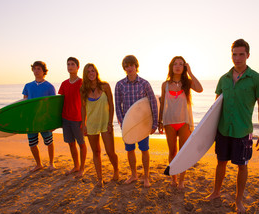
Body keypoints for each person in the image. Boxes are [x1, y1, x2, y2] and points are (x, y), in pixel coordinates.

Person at [206, 39, 259, 214]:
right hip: (223, 129)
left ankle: (238, 200)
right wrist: (210, 132)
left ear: (248, 55)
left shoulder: (256, 78)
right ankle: (216, 192)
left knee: (242, 166)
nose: (237, 58)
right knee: (221, 162)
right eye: (234, 54)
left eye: (241, 54)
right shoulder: (223, 79)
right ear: (231, 55)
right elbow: (215, 107)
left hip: (242, 130)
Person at [158, 56, 203, 189]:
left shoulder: (187, 83)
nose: (178, 66)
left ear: (184, 67)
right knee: (172, 152)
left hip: (184, 122)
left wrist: (190, 72)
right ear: (171, 67)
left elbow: (200, 89)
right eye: (175, 64)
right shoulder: (165, 85)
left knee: (183, 152)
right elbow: (162, 104)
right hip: (169, 122)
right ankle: (174, 178)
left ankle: (182, 180)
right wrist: (160, 121)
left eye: (181, 64)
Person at [115, 55, 158, 188]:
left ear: (136, 66)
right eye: (126, 66)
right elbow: (118, 105)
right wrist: (122, 123)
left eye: (131, 65)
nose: (129, 68)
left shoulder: (144, 83)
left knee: (144, 150)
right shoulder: (120, 85)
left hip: (143, 124)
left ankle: (146, 176)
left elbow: (153, 103)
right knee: (130, 150)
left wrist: (154, 123)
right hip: (128, 124)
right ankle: (134, 174)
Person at [80, 63, 119, 186]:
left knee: (110, 151)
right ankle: (99, 178)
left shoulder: (105, 86)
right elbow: (83, 107)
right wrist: (83, 124)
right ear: (86, 75)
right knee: (96, 152)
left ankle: (116, 171)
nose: (91, 73)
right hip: (91, 124)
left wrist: (110, 123)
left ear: (96, 72)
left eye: (93, 71)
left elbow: (111, 105)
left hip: (105, 123)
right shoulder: (83, 90)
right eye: (88, 72)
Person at [22, 61, 56, 172]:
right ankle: (38, 164)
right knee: (32, 143)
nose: (36, 71)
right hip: (31, 120)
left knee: (49, 142)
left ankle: (51, 163)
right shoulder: (28, 86)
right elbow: (24, 103)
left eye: (39, 69)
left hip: (44, 120)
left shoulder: (49, 86)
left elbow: (53, 106)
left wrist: (53, 122)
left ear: (43, 71)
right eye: (35, 69)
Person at [58, 57, 87, 177]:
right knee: (71, 143)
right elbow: (59, 103)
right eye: (68, 64)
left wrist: (84, 122)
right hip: (66, 119)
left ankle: (82, 168)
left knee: (81, 144)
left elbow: (86, 104)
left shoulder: (82, 83)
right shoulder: (64, 84)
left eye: (72, 64)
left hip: (78, 119)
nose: (70, 66)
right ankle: (75, 166)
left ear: (77, 67)